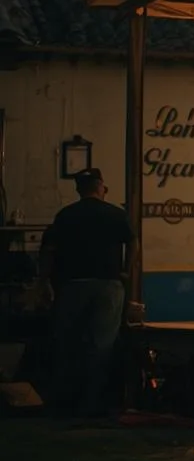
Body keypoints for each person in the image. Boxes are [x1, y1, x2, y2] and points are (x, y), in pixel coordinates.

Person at [38, 168, 134, 419]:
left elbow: (48, 251)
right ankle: (93, 405)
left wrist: (43, 283)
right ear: (101, 187)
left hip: (73, 286)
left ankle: (65, 403)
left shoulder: (65, 216)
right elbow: (134, 242)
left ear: (79, 190)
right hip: (108, 286)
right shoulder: (116, 214)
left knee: (68, 344)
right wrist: (126, 271)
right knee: (101, 346)